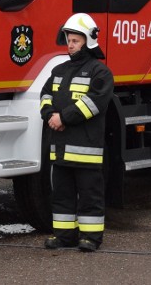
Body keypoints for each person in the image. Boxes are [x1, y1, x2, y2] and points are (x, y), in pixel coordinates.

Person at [40, 13, 115, 252]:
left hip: (86, 151)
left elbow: (95, 103)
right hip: (60, 148)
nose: (70, 45)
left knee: (90, 196)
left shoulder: (100, 72)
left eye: (76, 41)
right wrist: (50, 115)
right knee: (61, 195)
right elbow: (45, 95)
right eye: (69, 40)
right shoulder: (59, 69)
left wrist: (63, 117)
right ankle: (64, 236)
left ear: (88, 41)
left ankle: (90, 238)